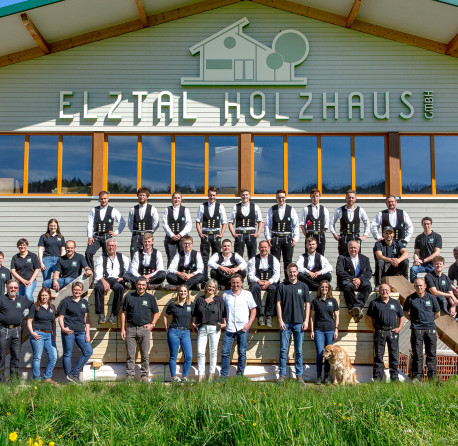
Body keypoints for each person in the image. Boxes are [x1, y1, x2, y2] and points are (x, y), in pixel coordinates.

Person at [276, 263, 310, 384]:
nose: (292, 274)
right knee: (283, 350)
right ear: (287, 272)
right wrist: (280, 320)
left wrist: (306, 320)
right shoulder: (282, 286)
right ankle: (282, 375)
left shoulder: (304, 286)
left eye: (294, 272)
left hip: (299, 323)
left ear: (297, 272)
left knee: (299, 351)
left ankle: (299, 375)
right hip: (285, 323)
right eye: (290, 272)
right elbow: (278, 303)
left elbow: (308, 304)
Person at [120, 276, 159, 382]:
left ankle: (144, 376)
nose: (141, 287)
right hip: (131, 329)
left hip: (144, 329)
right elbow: (124, 313)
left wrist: (152, 324)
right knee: (130, 355)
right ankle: (129, 377)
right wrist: (122, 329)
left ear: (146, 286)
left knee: (145, 355)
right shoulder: (129, 296)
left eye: (143, 285)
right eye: (139, 284)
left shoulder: (150, 298)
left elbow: (156, 313)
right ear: (136, 285)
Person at [403, 278, 440, 381]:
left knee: (431, 354)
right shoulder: (410, 299)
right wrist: (413, 320)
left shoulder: (432, 298)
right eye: (417, 285)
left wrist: (428, 320)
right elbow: (405, 312)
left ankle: (432, 378)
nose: (419, 287)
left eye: (421, 285)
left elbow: (437, 313)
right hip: (417, 329)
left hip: (430, 330)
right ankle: (417, 377)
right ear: (414, 286)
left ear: (425, 286)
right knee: (417, 354)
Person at [366, 283, 405, 382]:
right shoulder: (375, 303)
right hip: (380, 332)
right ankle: (377, 378)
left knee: (394, 355)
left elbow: (401, 316)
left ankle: (394, 377)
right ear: (379, 291)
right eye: (382, 290)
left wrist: (399, 328)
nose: (385, 291)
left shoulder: (395, 303)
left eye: (386, 289)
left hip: (393, 332)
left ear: (390, 291)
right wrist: (374, 328)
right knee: (379, 355)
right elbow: (368, 317)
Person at [220, 274, 257, 378]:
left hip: (243, 327)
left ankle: (240, 376)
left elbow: (253, 310)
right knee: (225, 353)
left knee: (242, 352)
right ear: (231, 283)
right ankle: (223, 376)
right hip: (229, 327)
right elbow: (222, 310)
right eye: (233, 282)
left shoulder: (247, 294)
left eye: (237, 282)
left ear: (241, 283)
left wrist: (249, 324)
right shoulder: (225, 294)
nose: (235, 284)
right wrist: (224, 321)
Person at [57, 281, 93, 384]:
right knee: (67, 354)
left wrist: (87, 333)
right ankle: (69, 377)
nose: (77, 291)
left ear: (82, 291)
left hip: (81, 331)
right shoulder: (66, 301)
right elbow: (61, 317)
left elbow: (86, 319)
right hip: (69, 331)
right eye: (75, 289)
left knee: (88, 351)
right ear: (72, 290)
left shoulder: (84, 302)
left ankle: (73, 374)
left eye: (79, 290)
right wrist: (63, 328)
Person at [192, 279, 226, 382]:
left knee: (213, 352)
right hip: (202, 328)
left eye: (213, 287)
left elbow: (224, 313)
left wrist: (224, 324)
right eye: (209, 286)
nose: (211, 288)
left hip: (214, 328)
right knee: (200, 352)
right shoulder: (200, 299)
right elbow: (195, 313)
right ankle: (201, 376)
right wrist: (193, 323)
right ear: (206, 287)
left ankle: (211, 376)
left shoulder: (219, 300)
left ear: (215, 289)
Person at [0, 279, 33, 381]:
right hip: (4, 330)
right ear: (7, 287)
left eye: (15, 287)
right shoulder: (1, 299)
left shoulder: (22, 299)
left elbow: (33, 305)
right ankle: (1, 379)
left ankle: (13, 379)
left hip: (17, 330)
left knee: (16, 356)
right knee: (1, 356)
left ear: (18, 289)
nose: (13, 289)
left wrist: (30, 318)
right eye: (11, 287)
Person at [85, 190, 126, 271]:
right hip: (96, 236)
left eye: (105, 198)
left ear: (108, 199)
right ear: (99, 199)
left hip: (107, 236)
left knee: (107, 255)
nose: (103, 200)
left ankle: (107, 273)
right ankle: (91, 272)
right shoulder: (94, 210)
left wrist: (116, 232)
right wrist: (90, 236)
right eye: (101, 199)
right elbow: (90, 224)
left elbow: (122, 222)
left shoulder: (113, 210)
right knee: (88, 252)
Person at [93, 238, 130, 324]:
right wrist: (104, 282)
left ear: (116, 247)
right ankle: (101, 314)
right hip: (105, 279)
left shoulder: (123, 257)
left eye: (113, 246)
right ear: (106, 247)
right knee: (98, 287)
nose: (111, 247)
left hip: (118, 280)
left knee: (120, 288)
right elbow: (98, 272)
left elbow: (129, 270)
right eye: (109, 245)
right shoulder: (101, 258)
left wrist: (123, 278)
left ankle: (113, 314)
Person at [265, 189, 300, 278]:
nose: (281, 199)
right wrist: (268, 238)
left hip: (287, 238)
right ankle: (275, 281)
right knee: (274, 261)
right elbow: (267, 225)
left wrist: (295, 238)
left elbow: (296, 225)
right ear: (276, 198)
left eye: (283, 197)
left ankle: (287, 281)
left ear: (286, 198)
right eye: (279, 197)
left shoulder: (291, 209)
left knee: (288, 261)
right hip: (275, 238)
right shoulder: (272, 209)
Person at [310, 280, 339, 385]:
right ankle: (318, 376)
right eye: (322, 287)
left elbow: (337, 316)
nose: (324, 289)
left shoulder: (333, 301)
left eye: (326, 287)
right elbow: (312, 317)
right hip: (319, 330)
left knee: (328, 355)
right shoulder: (315, 301)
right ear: (320, 288)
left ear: (329, 288)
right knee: (320, 353)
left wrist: (336, 329)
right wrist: (312, 330)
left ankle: (327, 376)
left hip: (330, 330)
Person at [26, 288, 57, 384]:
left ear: (49, 296)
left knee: (53, 357)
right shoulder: (35, 306)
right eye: (42, 295)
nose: (44, 297)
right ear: (40, 296)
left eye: (46, 295)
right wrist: (32, 333)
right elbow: (29, 321)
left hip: (49, 335)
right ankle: (36, 379)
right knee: (37, 357)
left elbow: (53, 322)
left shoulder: (52, 307)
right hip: (38, 334)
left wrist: (54, 334)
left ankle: (47, 377)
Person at [164, 285, 194, 382]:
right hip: (174, 331)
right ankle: (174, 377)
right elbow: (165, 315)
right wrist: (166, 328)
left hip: (186, 332)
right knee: (173, 356)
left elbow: (193, 317)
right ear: (178, 293)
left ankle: (184, 377)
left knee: (189, 356)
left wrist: (193, 324)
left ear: (187, 293)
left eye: (185, 291)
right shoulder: (173, 305)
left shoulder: (191, 305)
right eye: (181, 291)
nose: (183, 293)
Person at [336, 240, 372, 322]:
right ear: (348, 248)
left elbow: (369, 272)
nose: (353, 249)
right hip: (348, 280)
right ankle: (353, 308)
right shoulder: (342, 258)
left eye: (355, 248)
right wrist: (352, 279)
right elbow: (339, 271)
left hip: (361, 281)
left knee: (368, 286)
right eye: (351, 247)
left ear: (358, 249)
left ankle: (357, 307)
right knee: (348, 286)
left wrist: (360, 280)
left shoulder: (365, 258)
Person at [196, 186, 227, 279]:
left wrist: (221, 234)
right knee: (204, 258)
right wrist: (200, 234)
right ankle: (204, 279)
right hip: (205, 234)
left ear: (216, 196)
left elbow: (224, 222)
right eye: (210, 195)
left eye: (213, 195)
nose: (212, 197)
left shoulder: (220, 206)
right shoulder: (202, 206)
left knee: (216, 258)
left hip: (216, 234)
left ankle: (215, 279)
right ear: (208, 195)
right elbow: (198, 222)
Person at [247, 240, 280, 327]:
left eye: (265, 247)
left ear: (268, 248)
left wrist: (269, 282)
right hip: (257, 281)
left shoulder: (274, 259)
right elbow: (250, 274)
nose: (263, 249)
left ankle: (269, 315)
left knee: (273, 288)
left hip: (270, 281)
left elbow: (277, 275)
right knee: (254, 288)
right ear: (259, 248)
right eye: (262, 247)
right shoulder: (253, 260)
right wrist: (259, 281)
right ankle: (260, 315)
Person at [330, 189, 370, 255]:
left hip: (356, 238)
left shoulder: (360, 210)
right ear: (346, 198)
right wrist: (335, 235)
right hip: (344, 238)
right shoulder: (339, 210)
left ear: (355, 199)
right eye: (349, 197)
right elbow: (331, 223)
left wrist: (365, 235)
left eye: (352, 198)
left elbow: (367, 223)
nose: (351, 199)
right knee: (342, 258)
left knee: (356, 258)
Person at [228, 189, 263, 260]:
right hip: (239, 233)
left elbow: (260, 221)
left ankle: (252, 268)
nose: (245, 196)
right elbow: (230, 222)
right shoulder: (235, 207)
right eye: (243, 195)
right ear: (240, 196)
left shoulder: (255, 207)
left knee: (252, 257)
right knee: (238, 256)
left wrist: (258, 233)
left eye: (246, 195)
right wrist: (233, 234)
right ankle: (238, 268)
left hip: (251, 234)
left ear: (249, 196)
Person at [127, 187, 159, 259]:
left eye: (143, 195)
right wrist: (135, 231)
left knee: (149, 256)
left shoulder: (152, 209)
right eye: (140, 195)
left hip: (148, 236)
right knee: (134, 256)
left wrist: (150, 232)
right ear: (138, 196)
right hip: (136, 236)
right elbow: (130, 223)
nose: (141, 197)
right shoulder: (132, 209)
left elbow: (156, 223)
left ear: (147, 197)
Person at [162, 191, 192, 268]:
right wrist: (172, 235)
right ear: (172, 199)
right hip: (170, 238)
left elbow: (189, 224)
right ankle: (171, 275)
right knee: (171, 259)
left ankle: (182, 274)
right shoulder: (167, 210)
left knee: (183, 258)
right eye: (175, 198)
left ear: (181, 199)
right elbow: (165, 224)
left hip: (182, 238)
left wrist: (180, 234)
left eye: (178, 198)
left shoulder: (185, 210)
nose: (177, 200)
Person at [410, 217, 442, 283]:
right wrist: (416, 260)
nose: (426, 226)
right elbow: (416, 252)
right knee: (413, 269)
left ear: (431, 224)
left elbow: (437, 253)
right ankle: (413, 286)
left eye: (428, 224)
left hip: (433, 264)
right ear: (422, 225)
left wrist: (424, 260)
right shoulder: (419, 237)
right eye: (424, 224)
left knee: (433, 279)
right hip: (422, 264)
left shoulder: (437, 236)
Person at [300, 188, 329, 255]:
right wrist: (307, 235)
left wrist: (320, 233)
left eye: (317, 196)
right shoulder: (306, 209)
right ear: (310, 196)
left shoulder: (325, 210)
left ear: (319, 197)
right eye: (313, 196)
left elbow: (325, 226)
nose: (315, 198)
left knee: (320, 256)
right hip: (309, 235)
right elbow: (302, 224)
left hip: (320, 237)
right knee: (308, 256)